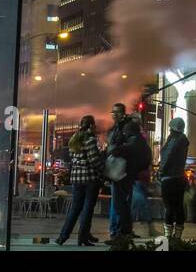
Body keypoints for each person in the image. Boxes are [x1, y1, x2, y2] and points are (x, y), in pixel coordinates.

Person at [57, 115, 103, 247]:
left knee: (75, 208)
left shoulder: (74, 139)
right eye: (94, 125)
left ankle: (63, 236)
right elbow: (94, 160)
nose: (95, 127)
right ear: (91, 126)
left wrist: (81, 162)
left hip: (76, 178)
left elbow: (73, 158)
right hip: (89, 178)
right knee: (88, 208)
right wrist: (102, 171)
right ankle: (82, 237)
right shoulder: (89, 139)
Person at [105, 102, 144, 241]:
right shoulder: (118, 127)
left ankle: (119, 231)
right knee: (120, 203)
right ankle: (120, 231)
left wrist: (116, 149)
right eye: (113, 111)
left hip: (123, 170)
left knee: (119, 203)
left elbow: (126, 145)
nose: (114, 114)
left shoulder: (125, 127)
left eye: (117, 112)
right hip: (121, 170)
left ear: (123, 113)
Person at [158, 117, 189, 241]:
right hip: (180, 177)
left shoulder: (174, 141)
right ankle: (177, 235)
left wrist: (161, 171)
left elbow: (167, 157)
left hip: (169, 178)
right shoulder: (184, 141)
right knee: (178, 206)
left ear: (173, 129)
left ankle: (168, 235)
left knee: (169, 206)